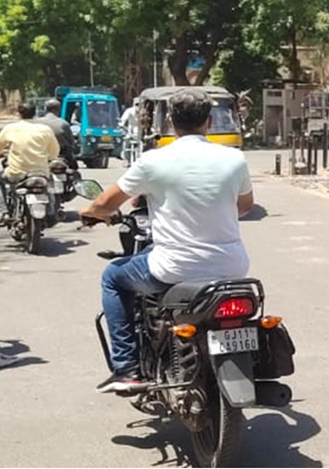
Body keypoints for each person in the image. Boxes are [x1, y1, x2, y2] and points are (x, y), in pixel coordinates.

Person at [81, 88, 254, 393]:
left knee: (113, 277)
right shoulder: (234, 159)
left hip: (173, 269)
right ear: (209, 121)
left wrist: (92, 212)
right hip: (232, 268)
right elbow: (244, 206)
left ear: (170, 122)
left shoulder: (153, 161)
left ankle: (127, 368)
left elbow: (105, 203)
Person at [0, 102, 60, 224]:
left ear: (19, 114)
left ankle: (4, 212)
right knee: (49, 185)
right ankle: (51, 212)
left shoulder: (11, 128)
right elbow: (54, 152)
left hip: (16, 173)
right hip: (40, 172)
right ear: (35, 113)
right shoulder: (45, 129)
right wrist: (48, 157)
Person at [36, 98, 78, 169]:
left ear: (45, 109)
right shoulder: (63, 123)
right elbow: (71, 142)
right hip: (61, 155)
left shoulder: (37, 123)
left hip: (41, 155)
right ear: (58, 109)